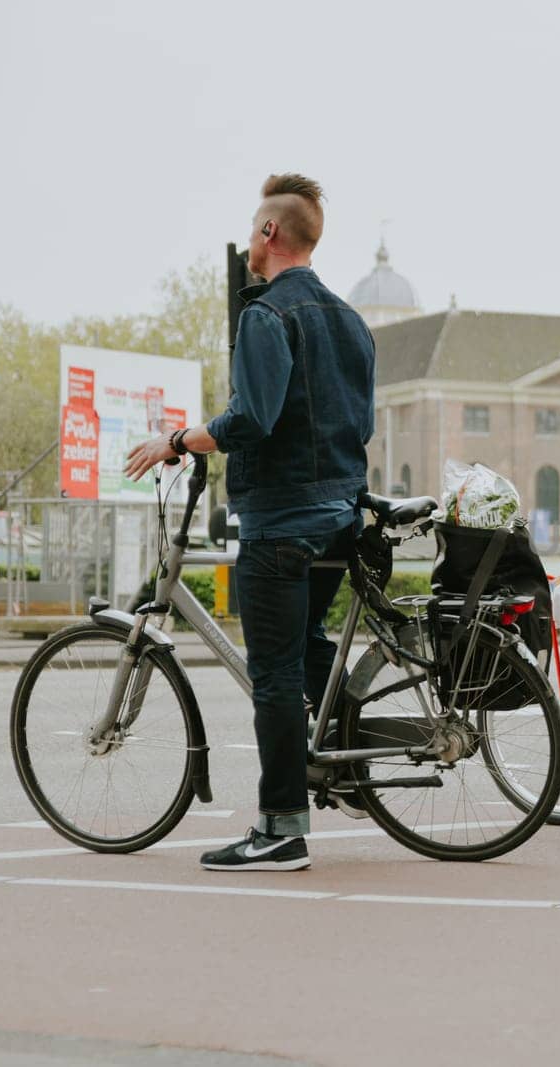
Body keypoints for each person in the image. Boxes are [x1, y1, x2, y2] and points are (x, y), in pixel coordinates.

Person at [124, 173, 376, 871]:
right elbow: (363, 424)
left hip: (281, 521)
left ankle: (281, 829)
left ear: (269, 235)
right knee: (310, 647)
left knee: (272, 672)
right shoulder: (352, 321)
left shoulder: (265, 315)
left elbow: (252, 418)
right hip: (342, 519)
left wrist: (179, 439)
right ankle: (350, 765)